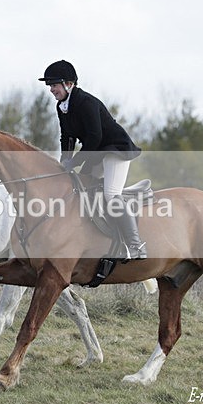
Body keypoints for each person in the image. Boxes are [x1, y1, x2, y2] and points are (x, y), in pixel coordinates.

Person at [39, 60, 147, 261]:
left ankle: (135, 245)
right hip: (97, 153)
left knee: (111, 194)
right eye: (50, 86)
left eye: (54, 84)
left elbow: (94, 137)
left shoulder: (86, 103)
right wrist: (65, 161)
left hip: (116, 150)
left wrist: (75, 162)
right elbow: (67, 137)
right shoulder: (62, 106)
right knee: (79, 187)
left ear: (68, 84)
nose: (51, 89)